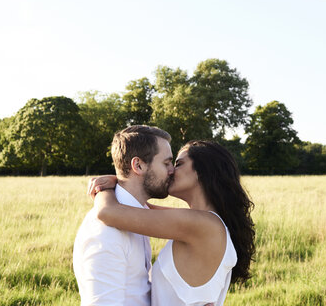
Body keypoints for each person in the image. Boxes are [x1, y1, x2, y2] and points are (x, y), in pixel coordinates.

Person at [89, 140, 256, 306]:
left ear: (202, 171)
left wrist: (103, 189)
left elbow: (108, 212)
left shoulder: (201, 224)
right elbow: (141, 209)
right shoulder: (205, 222)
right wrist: (119, 181)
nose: (170, 171)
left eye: (178, 164)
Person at [73, 125, 175, 306]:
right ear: (138, 165)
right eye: (166, 163)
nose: (172, 170)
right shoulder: (106, 233)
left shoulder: (137, 215)